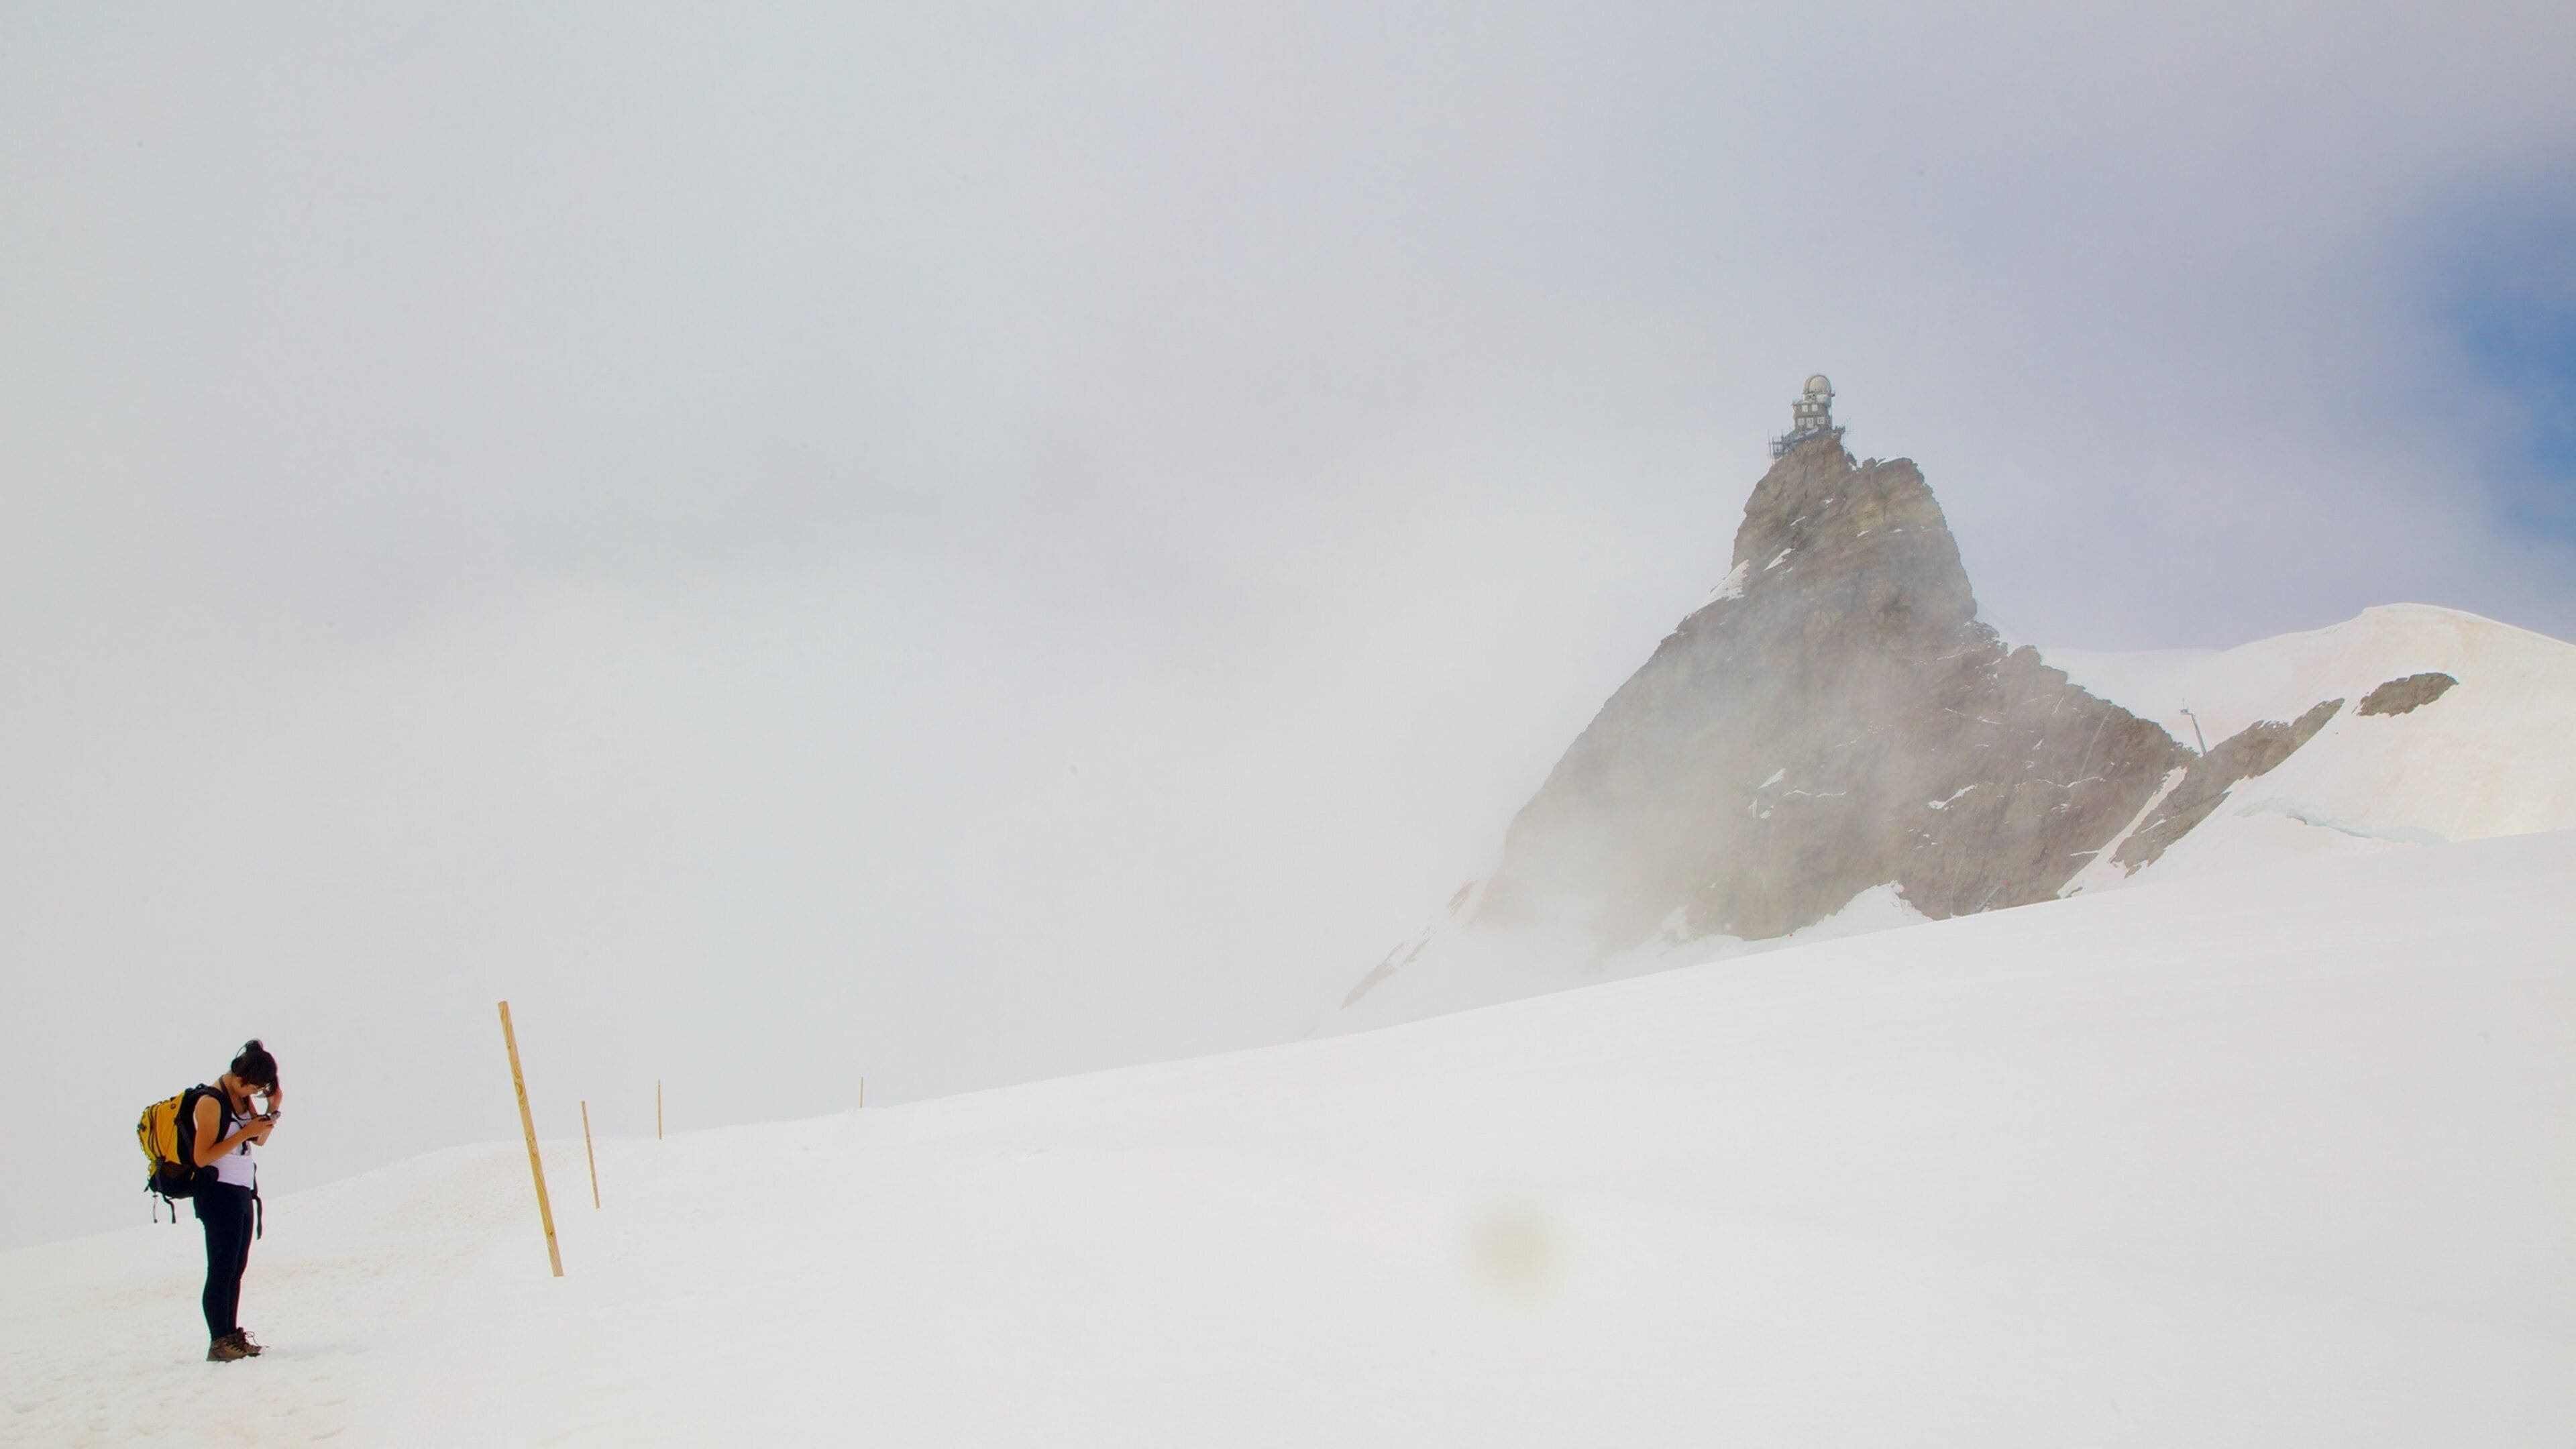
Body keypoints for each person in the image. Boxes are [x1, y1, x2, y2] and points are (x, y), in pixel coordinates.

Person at [193, 1040, 280, 1363]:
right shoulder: (210, 1102)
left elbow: (259, 1139)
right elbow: (202, 1158)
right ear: (241, 1075)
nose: (252, 1093)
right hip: (217, 1192)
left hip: (242, 1189)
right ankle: (219, 1342)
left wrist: (273, 1109)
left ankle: (231, 1337)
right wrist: (244, 1134)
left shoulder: (242, 1099)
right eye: (253, 1087)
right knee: (221, 1268)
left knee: (236, 1268)